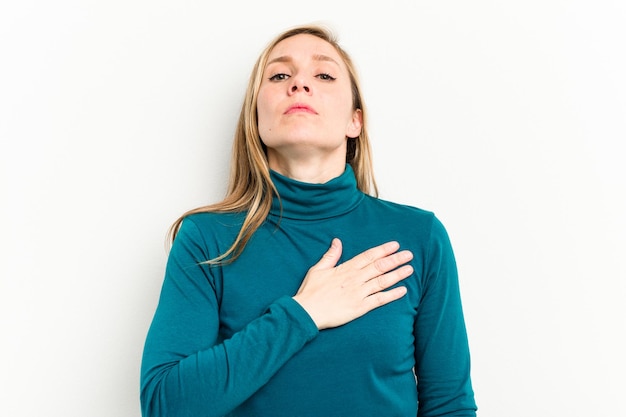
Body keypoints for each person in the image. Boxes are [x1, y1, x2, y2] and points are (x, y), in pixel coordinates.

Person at [140, 24, 477, 417]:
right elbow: (164, 404)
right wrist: (305, 312)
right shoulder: (207, 239)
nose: (299, 84)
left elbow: (450, 405)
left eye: (324, 75)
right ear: (257, 117)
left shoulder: (419, 237)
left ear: (355, 121)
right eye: (280, 75)